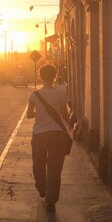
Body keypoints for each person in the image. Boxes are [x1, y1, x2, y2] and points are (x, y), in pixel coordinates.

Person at [26, 64, 70, 212]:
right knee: (54, 167)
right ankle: (51, 200)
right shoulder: (60, 95)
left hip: (39, 134)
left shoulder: (34, 95)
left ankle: (42, 189)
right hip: (57, 134)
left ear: (40, 76)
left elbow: (28, 115)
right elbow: (64, 114)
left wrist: (40, 113)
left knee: (38, 163)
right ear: (55, 76)